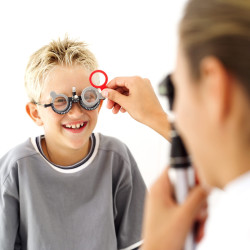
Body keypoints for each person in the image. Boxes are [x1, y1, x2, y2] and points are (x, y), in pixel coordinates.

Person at [101, 0, 250, 249]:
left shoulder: (232, 231)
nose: (176, 109)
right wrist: (156, 117)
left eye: (174, 87)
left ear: (214, 87)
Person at [0, 36, 146, 250]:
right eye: (60, 101)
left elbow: (138, 243)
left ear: (98, 102)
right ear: (35, 113)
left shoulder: (116, 158)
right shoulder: (16, 167)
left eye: (87, 98)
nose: (76, 113)